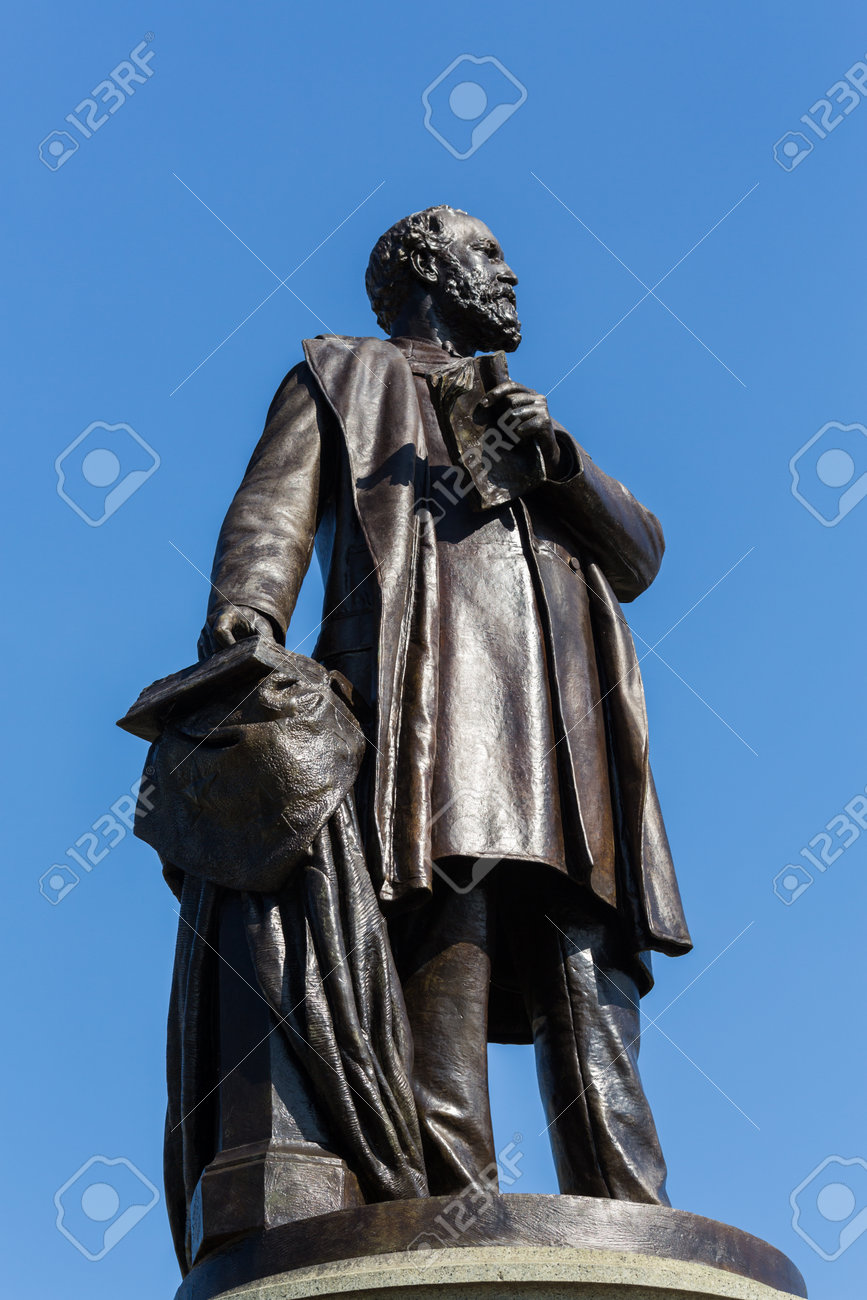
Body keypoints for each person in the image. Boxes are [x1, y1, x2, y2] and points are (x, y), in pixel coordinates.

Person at [198, 205, 692, 1206]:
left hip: (565, 738)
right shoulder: (342, 378)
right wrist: (246, 614)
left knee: (593, 983)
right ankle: (452, 1221)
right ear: (427, 266)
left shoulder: (530, 419)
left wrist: (556, 457)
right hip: (435, 723)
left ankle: (636, 1227)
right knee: (445, 966)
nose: (512, 277)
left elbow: (639, 555)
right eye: (490, 254)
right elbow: (272, 513)